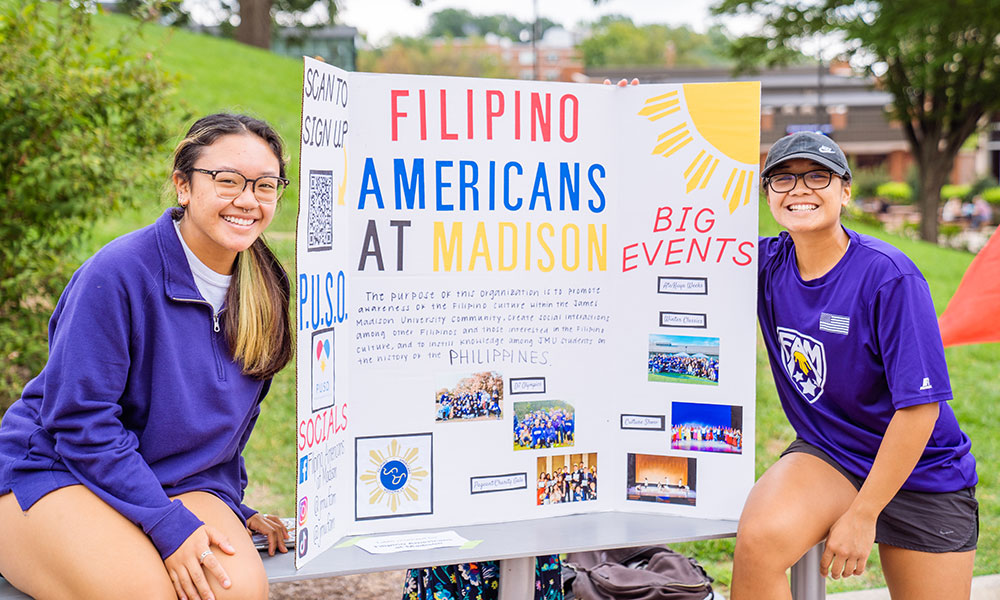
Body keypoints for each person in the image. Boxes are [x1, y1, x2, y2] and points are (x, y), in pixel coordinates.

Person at [0, 113, 294, 600]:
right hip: (57, 469)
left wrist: (235, 509)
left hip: (172, 479)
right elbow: (79, 422)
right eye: (227, 181)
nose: (247, 199)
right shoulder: (118, 274)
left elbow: (228, 430)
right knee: (144, 592)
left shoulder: (265, 287)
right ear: (183, 185)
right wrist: (164, 522)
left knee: (238, 590)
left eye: (265, 185)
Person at [734, 132, 978, 599]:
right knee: (759, 542)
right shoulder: (762, 265)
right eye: (782, 178)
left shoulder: (889, 276)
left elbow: (920, 409)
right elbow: (666, 231)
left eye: (817, 176)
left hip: (921, 468)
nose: (799, 189)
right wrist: (620, 121)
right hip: (833, 452)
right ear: (767, 195)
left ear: (845, 192)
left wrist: (864, 514)